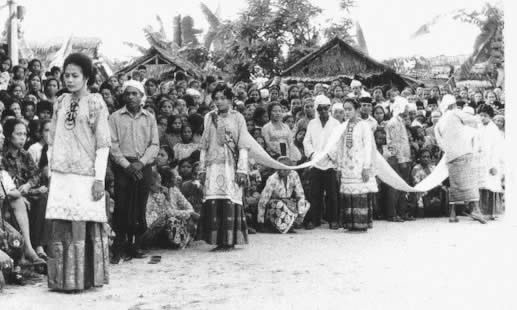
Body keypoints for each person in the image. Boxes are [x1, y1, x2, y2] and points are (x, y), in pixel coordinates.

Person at [45, 53, 111, 292]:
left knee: (82, 222)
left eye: (75, 75)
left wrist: (99, 179)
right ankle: (62, 280)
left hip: (85, 175)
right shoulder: (60, 102)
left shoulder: (96, 103)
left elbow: (103, 144)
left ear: (86, 77)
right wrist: (51, 168)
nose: (70, 80)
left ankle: (83, 280)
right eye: (67, 75)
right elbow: (52, 139)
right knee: (61, 223)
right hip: (62, 174)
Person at [109, 80, 159, 262]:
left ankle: (136, 245)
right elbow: (112, 145)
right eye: (127, 93)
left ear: (141, 96)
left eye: (134, 93)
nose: (131, 97)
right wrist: (127, 165)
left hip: (143, 166)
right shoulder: (115, 117)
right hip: (123, 167)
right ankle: (119, 246)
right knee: (122, 207)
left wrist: (141, 163)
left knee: (140, 205)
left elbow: (154, 145)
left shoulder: (149, 118)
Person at [197, 84, 249, 251]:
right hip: (213, 164)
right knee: (214, 199)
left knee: (229, 198)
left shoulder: (238, 117)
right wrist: (202, 168)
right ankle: (217, 240)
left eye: (222, 98)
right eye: (216, 98)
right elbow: (204, 144)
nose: (218, 102)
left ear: (230, 99)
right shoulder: (209, 117)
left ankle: (229, 240)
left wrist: (242, 169)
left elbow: (243, 145)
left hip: (230, 164)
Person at [434, 95, 486, 223]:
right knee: (471, 183)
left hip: (450, 155)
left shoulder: (439, 123)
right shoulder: (455, 113)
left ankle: (452, 214)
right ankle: (476, 210)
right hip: (464, 152)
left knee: (455, 185)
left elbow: (440, 143)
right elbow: (474, 120)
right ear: (453, 105)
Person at [333, 98, 377, 232]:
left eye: (349, 109)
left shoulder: (364, 125)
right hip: (346, 166)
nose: (346, 112)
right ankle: (349, 223)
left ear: (356, 110)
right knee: (348, 192)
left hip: (360, 165)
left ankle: (361, 224)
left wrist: (366, 167)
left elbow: (368, 147)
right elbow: (340, 148)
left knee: (360, 191)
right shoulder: (342, 126)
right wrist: (339, 167)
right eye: (344, 109)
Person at [303, 95, 340, 230]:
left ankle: (333, 220)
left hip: (330, 163)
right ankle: (314, 219)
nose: (323, 111)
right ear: (316, 109)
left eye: (325, 108)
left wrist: (329, 155)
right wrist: (313, 154)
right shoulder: (312, 124)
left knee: (332, 194)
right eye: (320, 109)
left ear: (329, 108)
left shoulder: (335, 124)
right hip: (316, 163)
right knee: (314, 193)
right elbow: (306, 141)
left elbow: (337, 142)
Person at [142, 169, 199, 249]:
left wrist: (189, 213)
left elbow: (188, 206)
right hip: (154, 228)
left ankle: (178, 240)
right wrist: (189, 213)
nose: (177, 179)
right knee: (172, 220)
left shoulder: (174, 190)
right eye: (174, 177)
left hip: (165, 225)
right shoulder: (154, 194)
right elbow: (167, 212)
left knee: (176, 220)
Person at [257, 156, 309, 234]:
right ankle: (275, 225)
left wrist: (300, 214)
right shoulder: (272, 179)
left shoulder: (294, 175)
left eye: (285, 169)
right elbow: (263, 200)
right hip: (274, 204)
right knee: (279, 204)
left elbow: (300, 193)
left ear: (290, 168)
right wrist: (260, 220)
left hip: (287, 201)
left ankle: (292, 224)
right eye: (279, 168)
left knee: (305, 203)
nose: (282, 171)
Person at [384, 97, 414, 222]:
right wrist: (402, 160)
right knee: (395, 186)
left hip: (404, 158)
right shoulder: (394, 123)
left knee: (402, 187)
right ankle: (392, 214)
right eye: (405, 107)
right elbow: (395, 144)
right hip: (396, 159)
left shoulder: (400, 121)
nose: (407, 109)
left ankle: (402, 212)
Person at [477, 104, 504, 220]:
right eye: (481, 115)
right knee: (481, 185)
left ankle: (493, 213)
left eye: (485, 116)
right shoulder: (479, 127)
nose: (482, 118)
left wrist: (494, 165)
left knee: (491, 185)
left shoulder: (494, 130)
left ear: (490, 116)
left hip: (491, 161)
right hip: (480, 161)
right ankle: (482, 212)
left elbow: (497, 149)